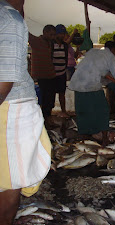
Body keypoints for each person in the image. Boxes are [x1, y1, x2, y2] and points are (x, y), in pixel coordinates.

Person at [0, 1, 51, 224]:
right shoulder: (10, 18)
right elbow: (5, 82)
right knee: (9, 181)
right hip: (11, 106)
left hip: (13, 103)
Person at [69, 41, 115, 145]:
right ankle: (104, 138)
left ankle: (84, 138)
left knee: (83, 111)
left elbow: (94, 68)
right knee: (103, 110)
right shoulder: (110, 56)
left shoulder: (93, 51)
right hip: (91, 84)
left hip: (77, 83)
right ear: (114, 50)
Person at [28, 24, 57, 128]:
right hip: (41, 76)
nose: (53, 37)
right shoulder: (36, 41)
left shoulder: (50, 43)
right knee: (43, 99)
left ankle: (48, 119)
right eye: (51, 34)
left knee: (50, 100)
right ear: (45, 33)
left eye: (54, 35)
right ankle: (44, 121)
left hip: (51, 75)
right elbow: (26, 31)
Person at [52, 24, 69, 118]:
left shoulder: (65, 45)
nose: (62, 35)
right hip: (52, 74)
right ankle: (49, 114)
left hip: (62, 73)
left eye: (63, 34)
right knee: (51, 94)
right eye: (61, 33)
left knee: (62, 93)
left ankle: (63, 111)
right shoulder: (51, 44)